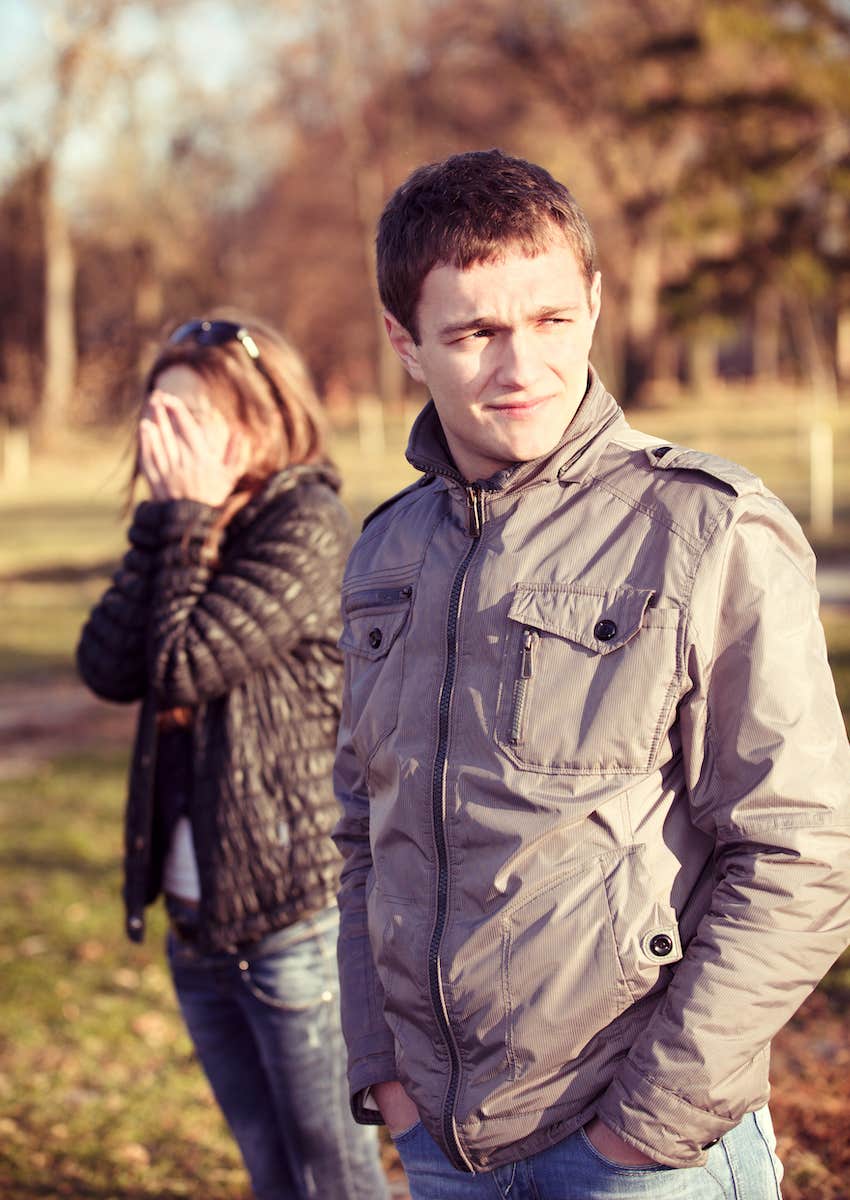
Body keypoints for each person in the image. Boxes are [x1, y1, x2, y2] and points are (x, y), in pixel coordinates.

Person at [332, 150, 850, 1200]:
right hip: (443, 1145)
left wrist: (648, 1126)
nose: (521, 366)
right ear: (404, 342)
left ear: (596, 304)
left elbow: (804, 852)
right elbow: (359, 830)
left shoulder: (707, 528)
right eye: (475, 332)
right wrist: (381, 1072)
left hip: (638, 1151)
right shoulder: (383, 553)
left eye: (552, 320)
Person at [77, 313, 389, 1200]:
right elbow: (106, 666)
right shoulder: (183, 527)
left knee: (334, 1177)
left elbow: (179, 666)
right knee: (271, 1173)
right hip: (198, 927)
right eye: (155, 421)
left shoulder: (307, 523)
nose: (163, 443)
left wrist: (178, 524)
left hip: (293, 921)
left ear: (260, 420)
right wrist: (162, 532)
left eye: (188, 421)